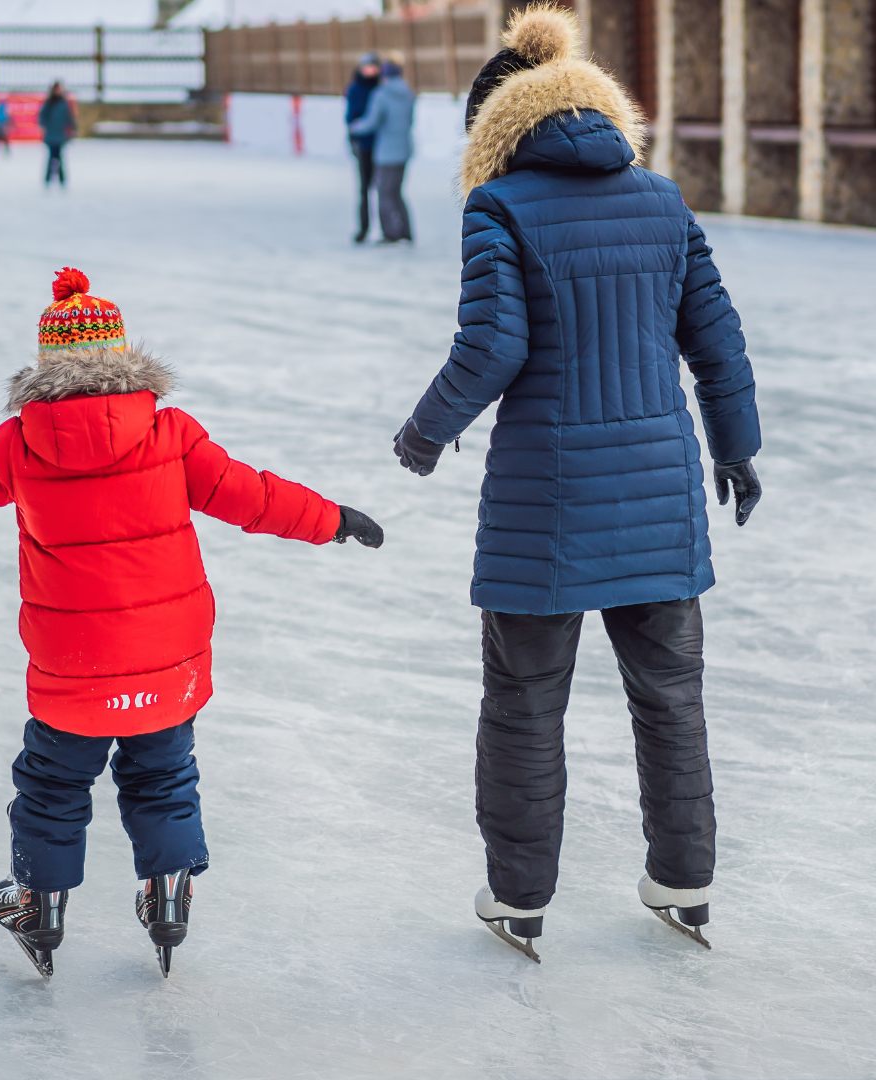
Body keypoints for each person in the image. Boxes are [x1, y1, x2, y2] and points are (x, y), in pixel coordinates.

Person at [0, 267, 384, 980]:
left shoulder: (21, 443)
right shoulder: (171, 433)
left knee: (52, 785)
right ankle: (168, 893)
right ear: (123, 357)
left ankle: (39, 905)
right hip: (169, 662)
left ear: (47, 367)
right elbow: (250, 495)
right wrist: (332, 519)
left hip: (73, 669)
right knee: (163, 776)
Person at [392, 4, 762, 961]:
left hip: (544, 505)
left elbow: (494, 346)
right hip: (661, 491)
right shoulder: (663, 198)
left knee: (523, 702)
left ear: (494, 132)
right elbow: (715, 340)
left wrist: (426, 431)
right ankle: (685, 877)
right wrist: (736, 448)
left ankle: (519, 897)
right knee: (671, 697)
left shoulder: (500, 206)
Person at [349, 58, 415, 244]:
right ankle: (407, 230)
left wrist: (354, 127)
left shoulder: (381, 94)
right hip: (403, 148)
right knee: (397, 192)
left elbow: (372, 122)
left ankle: (390, 233)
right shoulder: (409, 93)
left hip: (386, 151)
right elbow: (409, 120)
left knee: (384, 193)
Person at [345, 52, 380, 243]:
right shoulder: (356, 88)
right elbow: (351, 117)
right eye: (367, 67)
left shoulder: (380, 88)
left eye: (373, 67)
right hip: (363, 144)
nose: (370, 71)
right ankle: (363, 227)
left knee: (383, 189)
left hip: (381, 146)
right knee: (364, 189)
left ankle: (387, 228)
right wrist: (354, 136)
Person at [38, 82, 76, 187]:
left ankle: (61, 179)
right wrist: (44, 126)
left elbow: (69, 117)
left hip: (60, 135)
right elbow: (42, 117)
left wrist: (72, 128)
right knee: (51, 157)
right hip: (51, 134)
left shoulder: (64, 103)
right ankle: (48, 178)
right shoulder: (49, 103)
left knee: (59, 157)